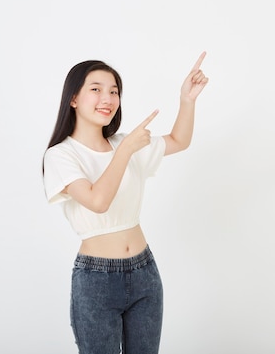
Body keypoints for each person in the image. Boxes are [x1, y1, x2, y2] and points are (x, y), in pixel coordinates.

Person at [42, 52, 209, 354]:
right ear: (74, 99)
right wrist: (125, 151)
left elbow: (179, 141)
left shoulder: (123, 143)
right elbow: (97, 200)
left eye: (114, 91)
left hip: (144, 273)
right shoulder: (60, 156)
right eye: (96, 89)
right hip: (96, 281)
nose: (107, 98)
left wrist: (187, 100)